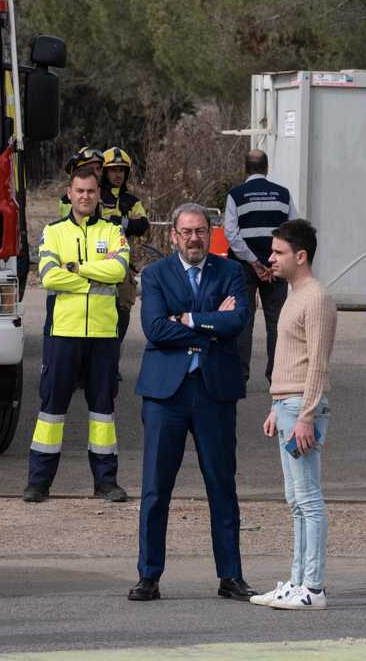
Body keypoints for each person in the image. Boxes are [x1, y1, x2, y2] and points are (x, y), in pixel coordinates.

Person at [128, 203, 257, 603]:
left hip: (214, 392)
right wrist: (206, 325)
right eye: (186, 232)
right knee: (155, 490)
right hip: (166, 394)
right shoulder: (155, 274)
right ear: (173, 236)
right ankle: (149, 576)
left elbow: (236, 323)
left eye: (201, 231)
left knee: (222, 485)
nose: (194, 239)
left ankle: (230, 576)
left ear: (211, 232)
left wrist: (185, 319)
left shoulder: (232, 272)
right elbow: (154, 327)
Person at [24, 167, 130, 504]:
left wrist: (77, 268)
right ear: (69, 194)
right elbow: (49, 277)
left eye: (90, 191)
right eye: (79, 191)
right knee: (51, 410)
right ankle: (38, 483)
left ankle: (106, 482)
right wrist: (92, 277)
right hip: (63, 333)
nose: (85, 196)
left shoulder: (113, 231)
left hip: (102, 334)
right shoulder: (53, 232)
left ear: (98, 195)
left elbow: (118, 271)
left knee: (102, 411)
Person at [251, 219, 336, 611]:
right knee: (295, 500)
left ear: (300, 256)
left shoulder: (315, 298)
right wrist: (275, 406)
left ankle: (313, 588)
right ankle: (299, 580)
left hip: (302, 407)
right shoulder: (293, 294)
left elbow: (317, 364)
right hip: (287, 405)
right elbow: (291, 357)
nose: (271, 258)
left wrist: (306, 415)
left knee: (309, 499)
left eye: (279, 252)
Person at [224, 149, 297, 384]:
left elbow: (231, 234)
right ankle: (276, 376)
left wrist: (253, 261)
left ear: (246, 169)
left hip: (243, 267)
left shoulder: (235, 195)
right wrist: (272, 259)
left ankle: (239, 374)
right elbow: (292, 230)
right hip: (277, 266)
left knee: (243, 319)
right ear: (266, 168)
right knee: (277, 322)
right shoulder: (283, 194)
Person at [100, 147, 150, 343]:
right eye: (113, 170)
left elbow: (142, 225)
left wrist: (122, 222)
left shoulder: (131, 201)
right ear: (104, 172)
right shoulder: (94, 197)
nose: (118, 174)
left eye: (122, 170)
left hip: (123, 269)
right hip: (98, 267)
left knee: (122, 315)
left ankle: (113, 367)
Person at [57, 147, 105, 219]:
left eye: (98, 169)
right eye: (91, 169)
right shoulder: (67, 202)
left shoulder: (108, 194)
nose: (96, 173)